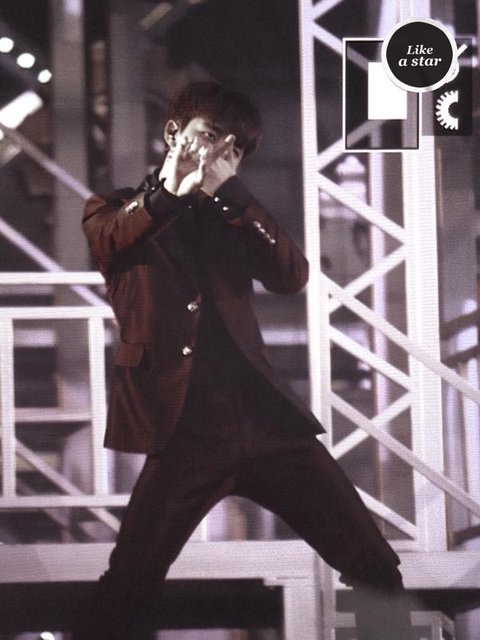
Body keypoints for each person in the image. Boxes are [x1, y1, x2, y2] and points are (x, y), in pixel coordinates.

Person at [74, 81, 413, 640]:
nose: (214, 154)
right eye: (207, 136)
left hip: (265, 423)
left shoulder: (232, 215)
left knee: (373, 563)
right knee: (130, 580)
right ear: (173, 133)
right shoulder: (111, 211)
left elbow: (290, 275)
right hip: (184, 431)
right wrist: (168, 193)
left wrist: (232, 195)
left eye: (231, 150)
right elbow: (111, 238)